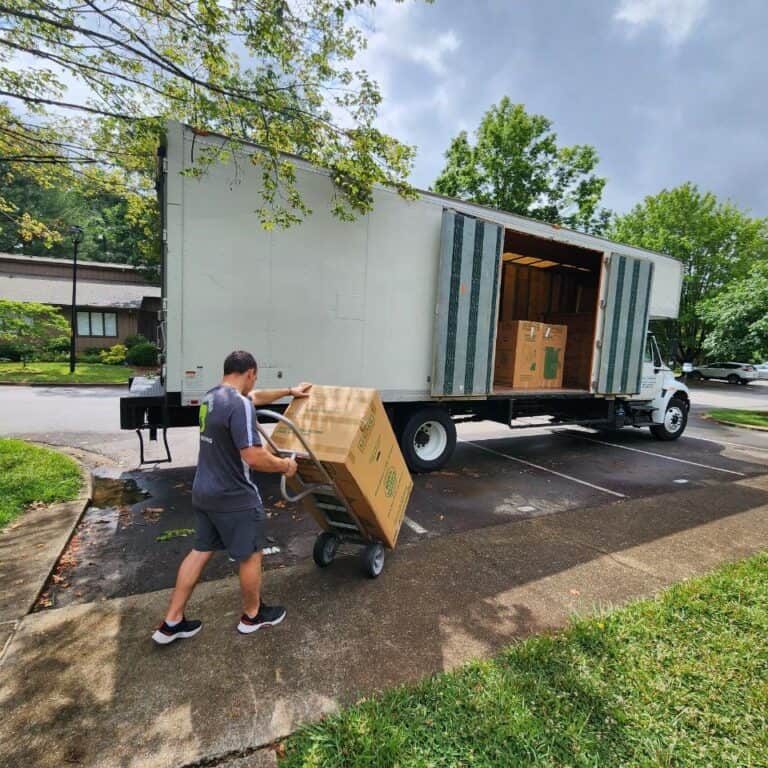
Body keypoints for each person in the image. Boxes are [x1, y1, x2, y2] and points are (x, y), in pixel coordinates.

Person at [152, 350, 311, 645]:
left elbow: (257, 397)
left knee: (200, 550)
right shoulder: (238, 404)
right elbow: (253, 457)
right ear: (249, 373)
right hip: (233, 496)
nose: (254, 384)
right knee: (251, 554)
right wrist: (285, 466)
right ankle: (252, 616)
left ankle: (172, 621)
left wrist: (290, 392)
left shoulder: (212, 398)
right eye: (255, 378)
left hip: (204, 491)